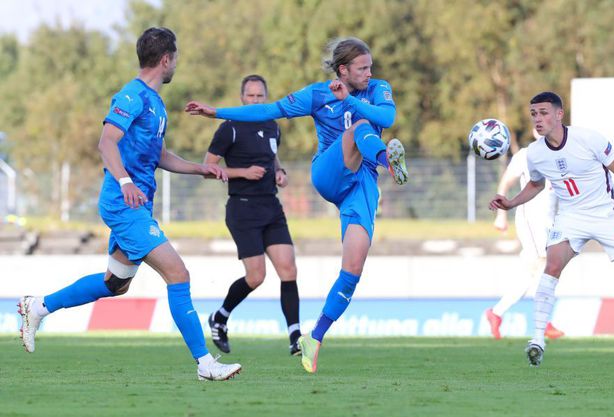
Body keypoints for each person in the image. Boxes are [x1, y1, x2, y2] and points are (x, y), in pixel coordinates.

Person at [17, 27, 241, 381]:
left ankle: (38, 307)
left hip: (136, 204)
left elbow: (160, 155)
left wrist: (200, 169)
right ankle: (205, 364)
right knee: (178, 274)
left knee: (115, 283)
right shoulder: (131, 96)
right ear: (166, 59)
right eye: (175, 59)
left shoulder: (156, 103)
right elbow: (106, 142)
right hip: (124, 204)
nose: (176, 65)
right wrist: (124, 182)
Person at [186, 37, 408, 373]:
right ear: (344, 69)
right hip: (330, 172)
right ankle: (388, 162)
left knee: (352, 271)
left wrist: (350, 99)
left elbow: (387, 118)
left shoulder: (378, 88)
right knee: (359, 129)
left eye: (370, 66)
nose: (369, 72)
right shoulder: (318, 94)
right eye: (362, 68)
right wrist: (216, 111)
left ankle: (313, 338)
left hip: (361, 185)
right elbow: (267, 110)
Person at [489, 91, 614, 366]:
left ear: (560, 114)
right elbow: (535, 185)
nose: (538, 118)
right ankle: (537, 339)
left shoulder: (589, 139)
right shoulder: (534, 154)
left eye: (544, 112)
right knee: (551, 266)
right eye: (534, 113)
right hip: (570, 217)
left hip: (606, 215)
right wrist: (510, 203)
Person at [204, 74, 301, 356]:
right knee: (256, 277)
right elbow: (208, 168)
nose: (256, 101)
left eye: (260, 96)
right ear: (241, 98)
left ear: (266, 98)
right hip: (242, 208)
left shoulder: (272, 126)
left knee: (289, 270)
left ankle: (295, 336)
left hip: (270, 205)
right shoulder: (229, 129)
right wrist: (242, 173)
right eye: (251, 96)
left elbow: (272, 156)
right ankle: (220, 317)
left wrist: (279, 172)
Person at [487, 138, 564, 340]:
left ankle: (496, 313)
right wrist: (501, 215)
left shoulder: (562, 154)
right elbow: (506, 181)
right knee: (547, 266)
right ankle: (543, 322)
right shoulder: (525, 154)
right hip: (531, 220)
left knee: (532, 274)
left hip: (550, 223)